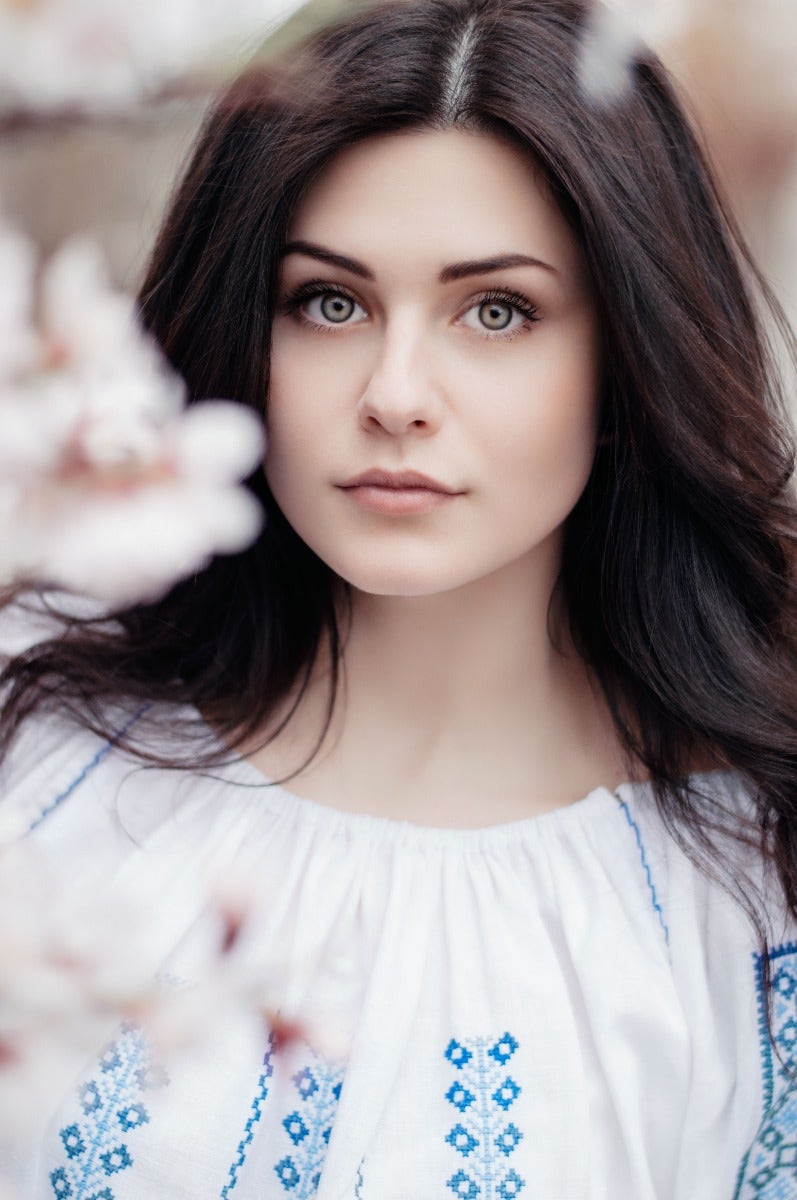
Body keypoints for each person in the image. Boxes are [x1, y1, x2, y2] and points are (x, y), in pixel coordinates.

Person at [2, 0, 797, 1195]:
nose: (395, 393)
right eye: (329, 301)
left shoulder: (746, 885)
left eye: (496, 311)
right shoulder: (44, 752)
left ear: (630, 351)